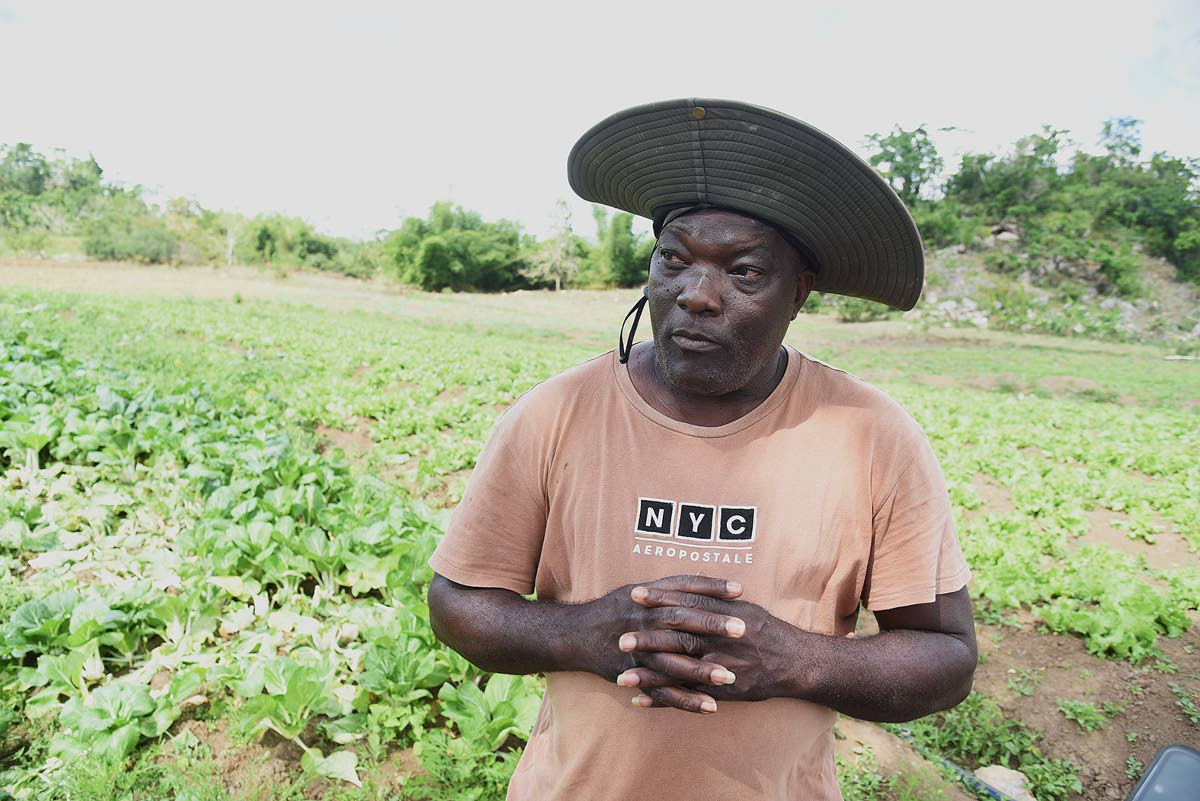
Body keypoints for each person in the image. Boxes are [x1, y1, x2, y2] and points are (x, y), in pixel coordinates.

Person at [426, 99, 976, 801]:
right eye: (674, 259)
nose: (697, 295)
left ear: (799, 291)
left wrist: (792, 659)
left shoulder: (869, 434)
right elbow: (456, 601)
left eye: (743, 272)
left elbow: (948, 659)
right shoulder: (556, 414)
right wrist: (588, 633)